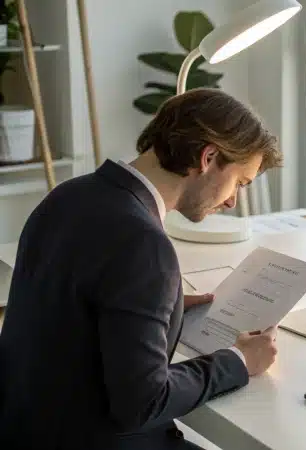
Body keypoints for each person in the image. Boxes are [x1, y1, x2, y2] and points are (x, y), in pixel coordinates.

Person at [0, 88, 282, 449]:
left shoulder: (68, 196)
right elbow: (143, 402)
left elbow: (79, 307)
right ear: (208, 157)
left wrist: (164, 305)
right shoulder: (144, 244)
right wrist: (239, 361)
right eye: (239, 183)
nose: (231, 201)